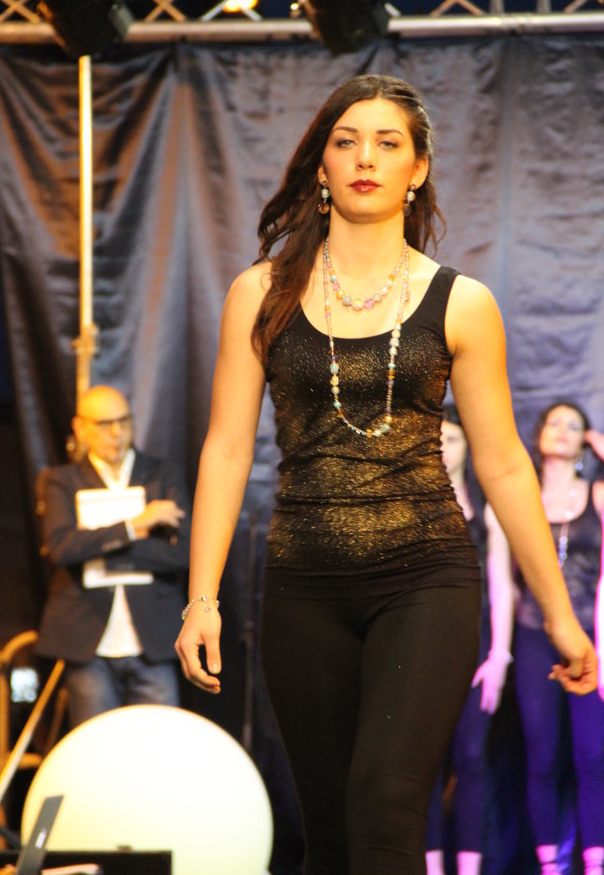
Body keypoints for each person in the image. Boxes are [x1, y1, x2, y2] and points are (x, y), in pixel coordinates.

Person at [175, 74, 597, 875]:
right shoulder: (260, 293)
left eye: (388, 142)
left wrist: (560, 614)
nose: (365, 157)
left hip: (425, 579)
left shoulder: (462, 303)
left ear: (418, 167)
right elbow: (226, 449)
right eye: (346, 142)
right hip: (304, 582)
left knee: (385, 807)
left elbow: (506, 462)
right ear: (322, 166)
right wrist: (203, 599)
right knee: (333, 838)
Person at [36, 384, 189, 728]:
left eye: (124, 421)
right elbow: (62, 547)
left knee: (160, 741)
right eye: (105, 424)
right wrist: (135, 525)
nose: (116, 433)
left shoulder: (162, 476)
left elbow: (182, 552)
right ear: (81, 428)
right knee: (96, 745)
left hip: (152, 638)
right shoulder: (62, 481)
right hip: (88, 641)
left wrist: (101, 551)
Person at [513, 401, 604, 875]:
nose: (565, 430)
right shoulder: (519, 496)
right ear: (540, 434)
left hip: (590, 636)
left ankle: (595, 862)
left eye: (575, 425)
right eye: (556, 422)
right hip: (534, 634)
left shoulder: (598, 494)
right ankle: (550, 865)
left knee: (593, 754)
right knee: (542, 755)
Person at [425, 404, 514, 875]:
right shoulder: (411, 503)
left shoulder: (485, 508)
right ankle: (430, 866)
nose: (443, 446)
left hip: (475, 643)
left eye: (453, 438)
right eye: (437, 436)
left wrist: (499, 654)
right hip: (421, 645)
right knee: (426, 761)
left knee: (472, 756)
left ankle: (471, 867)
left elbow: (501, 584)